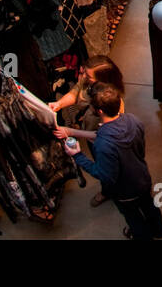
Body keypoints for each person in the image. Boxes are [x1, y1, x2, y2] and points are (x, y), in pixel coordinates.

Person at [58, 84, 162, 239]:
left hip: (124, 192)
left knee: (134, 218)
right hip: (143, 179)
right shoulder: (133, 120)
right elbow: (140, 150)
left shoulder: (103, 144)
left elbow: (105, 176)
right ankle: (159, 231)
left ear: (99, 111)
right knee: (150, 207)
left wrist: (78, 155)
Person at [49, 56, 125, 207]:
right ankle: (107, 190)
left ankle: (115, 193)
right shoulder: (88, 82)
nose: (83, 77)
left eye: (88, 76)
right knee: (100, 163)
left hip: (103, 143)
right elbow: (76, 91)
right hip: (91, 136)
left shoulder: (113, 103)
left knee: (108, 169)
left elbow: (103, 136)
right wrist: (59, 104)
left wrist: (70, 132)